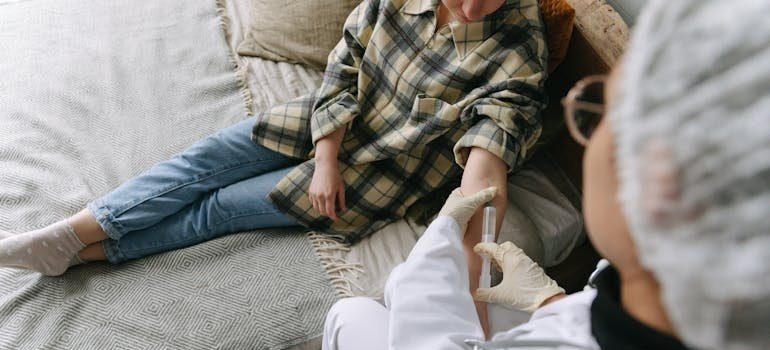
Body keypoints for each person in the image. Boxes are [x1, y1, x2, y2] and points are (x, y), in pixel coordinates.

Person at [0, 0, 547, 333]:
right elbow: (345, 63)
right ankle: (69, 233)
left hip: (380, 175)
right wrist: (325, 156)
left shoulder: (519, 48)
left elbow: (485, 179)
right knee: (204, 159)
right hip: (328, 121)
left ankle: (82, 253)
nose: (473, 9)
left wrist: (473, 289)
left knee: (218, 209)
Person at [321, 0, 770, 349]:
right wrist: (552, 300)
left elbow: (487, 164)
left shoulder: (517, 47)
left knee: (357, 311)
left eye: (602, 112)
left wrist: (435, 265)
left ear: (659, 180)